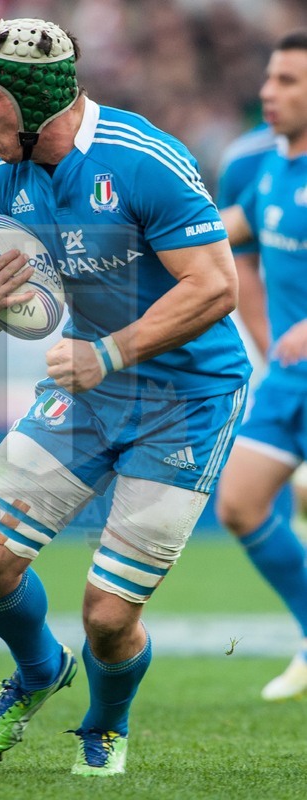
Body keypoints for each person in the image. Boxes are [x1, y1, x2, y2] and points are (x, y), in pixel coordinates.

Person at [0, 18, 251, 777]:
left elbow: (216, 285)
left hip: (186, 397)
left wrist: (108, 351)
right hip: (88, 391)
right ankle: (39, 670)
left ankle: (106, 726)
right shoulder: (2, 181)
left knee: (109, 616)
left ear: (31, 101)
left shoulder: (139, 158)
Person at [217, 29, 307, 701]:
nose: (266, 92)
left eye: (286, 82)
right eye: (269, 78)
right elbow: (219, 236)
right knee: (240, 504)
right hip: (286, 380)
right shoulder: (270, 166)